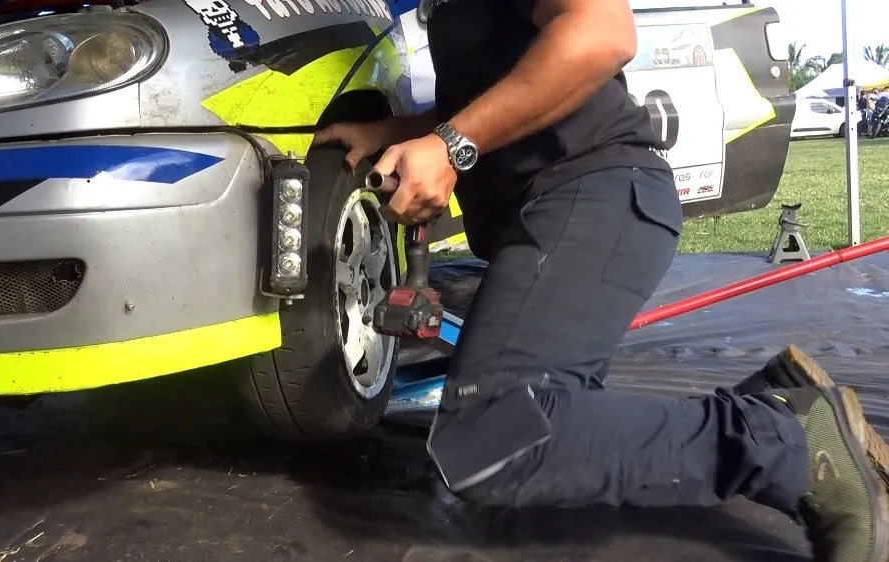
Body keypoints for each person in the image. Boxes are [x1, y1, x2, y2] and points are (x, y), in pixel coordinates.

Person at [312, 0, 889, 559]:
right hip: (560, 209)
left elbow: (601, 30)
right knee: (528, 428)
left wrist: (450, 146)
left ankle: (786, 441)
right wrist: (400, 130)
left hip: (593, 194)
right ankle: (772, 404)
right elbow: (497, 91)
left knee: (494, 441)